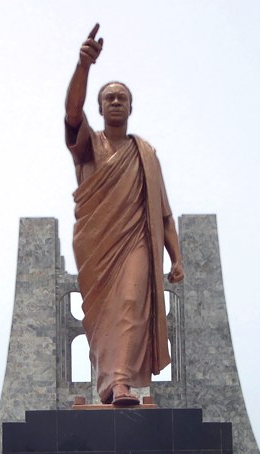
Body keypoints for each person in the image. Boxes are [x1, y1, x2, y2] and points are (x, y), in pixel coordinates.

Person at [65, 24, 184, 406]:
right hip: (96, 247)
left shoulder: (145, 154)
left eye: (122, 98)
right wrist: (83, 66)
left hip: (135, 242)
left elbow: (162, 212)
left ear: (131, 107)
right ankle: (108, 382)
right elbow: (70, 112)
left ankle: (121, 384)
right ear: (99, 108)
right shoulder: (89, 146)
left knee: (132, 305)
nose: (115, 102)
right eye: (109, 98)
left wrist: (176, 256)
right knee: (102, 321)